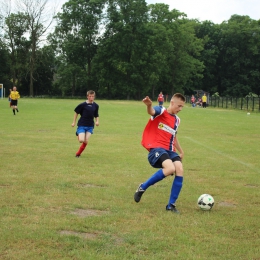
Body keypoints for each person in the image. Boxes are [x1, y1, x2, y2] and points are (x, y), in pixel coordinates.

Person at [134, 93, 186, 214]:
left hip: (170, 150)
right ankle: (143, 187)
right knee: (170, 168)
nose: (180, 109)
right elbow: (152, 112)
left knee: (179, 169)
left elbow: (174, 136)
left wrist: (181, 151)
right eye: (179, 106)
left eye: (182, 107)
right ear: (172, 103)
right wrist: (149, 105)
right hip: (156, 148)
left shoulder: (177, 120)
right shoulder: (161, 110)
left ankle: (171, 205)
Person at [71, 90, 99, 158]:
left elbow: (96, 114)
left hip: (90, 126)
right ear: (87, 96)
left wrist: (97, 121)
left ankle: (78, 154)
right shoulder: (82, 105)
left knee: (86, 141)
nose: (91, 98)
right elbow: (76, 113)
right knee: (81, 140)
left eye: (93, 96)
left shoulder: (96, 105)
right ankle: (78, 133)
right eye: (90, 96)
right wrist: (74, 122)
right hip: (82, 125)